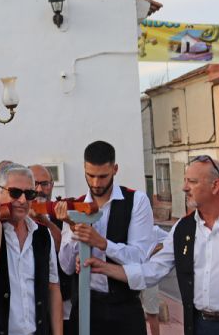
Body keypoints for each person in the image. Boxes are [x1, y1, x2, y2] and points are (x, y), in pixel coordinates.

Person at [83, 156, 219, 335]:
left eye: (192, 182)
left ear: (216, 185)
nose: (184, 187)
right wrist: (103, 267)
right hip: (198, 326)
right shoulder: (183, 228)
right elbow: (152, 270)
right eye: (185, 181)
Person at [55, 141, 154, 335]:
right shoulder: (75, 206)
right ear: (84, 169)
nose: (96, 183)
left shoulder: (136, 201)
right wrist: (73, 228)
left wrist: (103, 243)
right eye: (90, 176)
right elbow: (66, 266)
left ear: (115, 169)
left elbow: (140, 258)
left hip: (124, 307)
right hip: (85, 306)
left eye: (102, 176)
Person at [0, 163, 63, 335]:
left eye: (29, 194)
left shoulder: (42, 234)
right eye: (15, 193)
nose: (22, 200)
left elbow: (53, 288)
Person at [29, 164, 75, 335]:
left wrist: (45, 222)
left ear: (52, 185)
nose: (39, 189)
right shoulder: (18, 214)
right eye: (34, 184)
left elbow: (62, 249)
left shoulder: (61, 212)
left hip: (62, 297)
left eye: (44, 184)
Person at [139, 225, 169, 335]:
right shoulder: (127, 227)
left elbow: (173, 240)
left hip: (149, 275)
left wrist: (155, 250)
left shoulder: (154, 230)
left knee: (152, 313)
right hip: (130, 274)